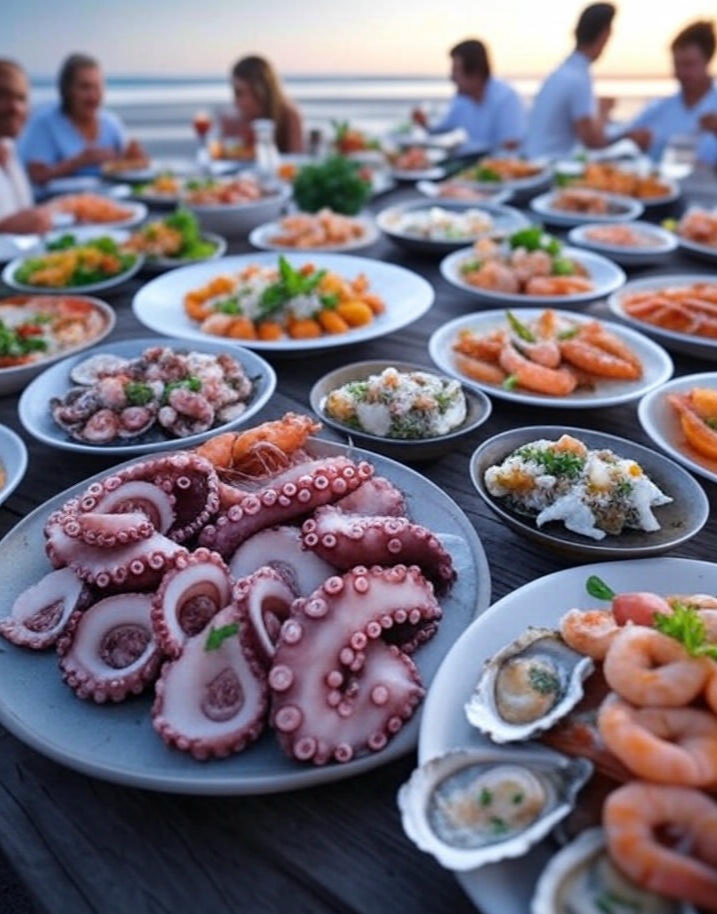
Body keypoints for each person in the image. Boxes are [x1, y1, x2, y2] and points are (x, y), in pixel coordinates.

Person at [524, 3, 649, 157]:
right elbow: (594, 142)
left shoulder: (560, 74)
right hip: (553, 168)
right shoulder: (577, 78)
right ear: (605, 34)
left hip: (537, 159)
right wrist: (604, 110)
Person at [19, 53, 144, 184]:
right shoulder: (44, 123)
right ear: (67, 90)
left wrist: (135, 160)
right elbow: (36, 176)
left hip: (106, 199)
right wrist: (79, 161)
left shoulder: (111, 123)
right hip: (55, 200)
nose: (93, 95)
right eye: (85, 87)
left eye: (97, 87)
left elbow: (128, 166)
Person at [629, 21, 717, 167]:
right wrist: (635, 142)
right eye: (677, 65)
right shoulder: (659, 108)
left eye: (689, 65)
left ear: (707, 61)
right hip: (662, 186)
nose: (682, 73)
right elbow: (625, 140)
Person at [412, 39, 525, 153]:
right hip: (472, 163)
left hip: (498, 167)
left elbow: (511, 148)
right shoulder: (462, 100)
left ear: (476, 72)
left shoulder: (506, 98)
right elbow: (442, 129)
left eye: (456, 70)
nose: (452, 77)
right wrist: (424, 124)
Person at [0, 60, 52, 234]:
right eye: (3, 95)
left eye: (21, 98)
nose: (15, 107)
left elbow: (25, 214)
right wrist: (4, 229)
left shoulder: (9, 147)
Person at [221, 56, 304, 153]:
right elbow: (225, 159)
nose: (235, 100)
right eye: (235, 92)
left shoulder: (289, 115)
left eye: (239, 93)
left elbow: (297, 159)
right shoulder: (231, 121)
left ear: (260, 92)